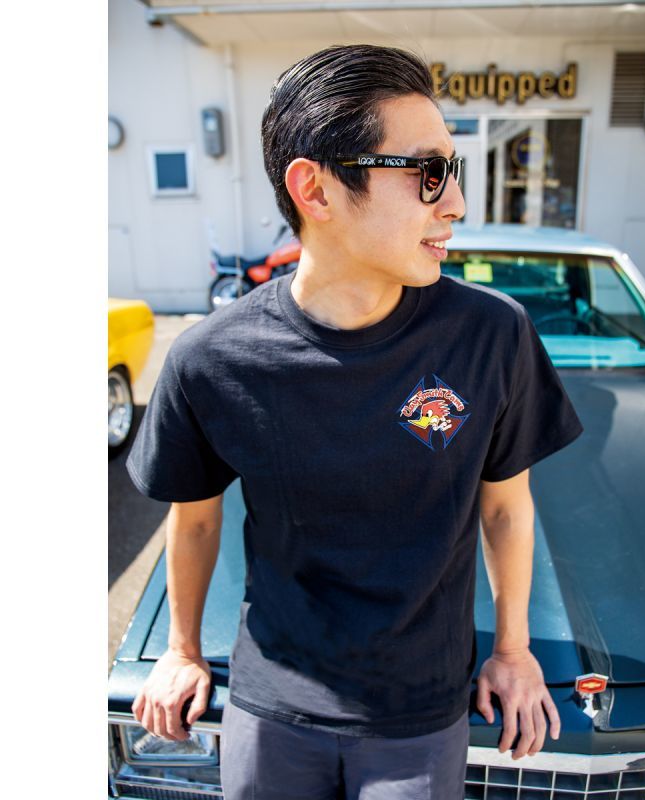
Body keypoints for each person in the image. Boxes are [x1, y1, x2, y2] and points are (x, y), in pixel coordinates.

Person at [126, 43, 584, 800]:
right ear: (316, 188)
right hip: (272, 706)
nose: (455, 204)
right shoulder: (212, 358)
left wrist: (512, 649)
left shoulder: (490, 334)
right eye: (427, 172)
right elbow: (196, 518)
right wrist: (180, 649)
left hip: (420, 714)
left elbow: (505, 507)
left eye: (453, 170)